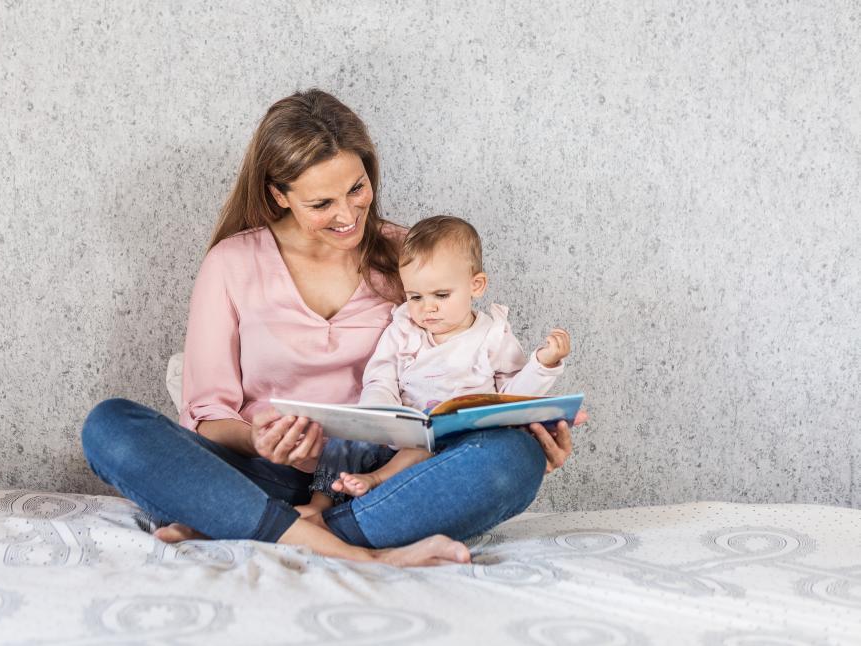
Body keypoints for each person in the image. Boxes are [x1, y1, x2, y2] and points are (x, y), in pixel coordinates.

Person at [81, 89, 580, 568]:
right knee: (111, 425)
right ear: (279, 195)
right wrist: (259, 439)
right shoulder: (232, 263)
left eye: (357, 189)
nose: (347, 215)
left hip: (381, 478)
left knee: (513, 458)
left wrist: (524, 422)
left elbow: (463, 364)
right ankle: (349, 548)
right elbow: (207, 413)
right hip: (256, 475)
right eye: (322, 204)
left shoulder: (410, 257)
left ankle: (255, 527)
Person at [302, 215, 571, 515]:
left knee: (448, 444)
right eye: (415, 296)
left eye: (441, 295)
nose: (427, 307)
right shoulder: (404, 327)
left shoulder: (492, 335)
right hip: (398, 434)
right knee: (345, 436)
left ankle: (378, 483)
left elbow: (513, 397)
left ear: (476, 285)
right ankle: (319, 505)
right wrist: (379, 412)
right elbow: (381, 375)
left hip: (451, 444)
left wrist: (543, 364)